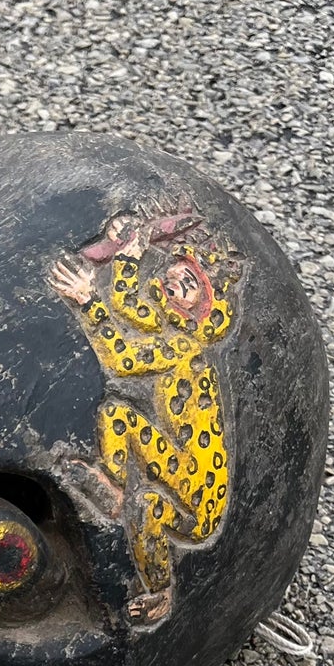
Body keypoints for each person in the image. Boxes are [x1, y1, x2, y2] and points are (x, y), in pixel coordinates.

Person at [49, 207, 242, 624]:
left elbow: (122, 359)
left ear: (200, 308)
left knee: (152, 505)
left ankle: (159, 590)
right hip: (180, 465)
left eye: (189, 285)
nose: (174, 279)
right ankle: (114, 488)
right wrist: (131, 254)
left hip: (197, 494)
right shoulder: (168, 322)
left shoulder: (184, 347)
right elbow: (126, 302)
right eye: (178, 271)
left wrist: (87, 302)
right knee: (119, 415)